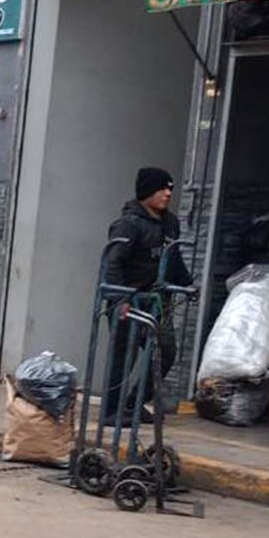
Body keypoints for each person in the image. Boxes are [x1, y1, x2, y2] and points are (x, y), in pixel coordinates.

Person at [99, 166, 192, 425]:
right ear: (147, 192)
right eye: (162, 188)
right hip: (129, 301)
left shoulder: (171, 223)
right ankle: (110, 411)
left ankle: (134, 403)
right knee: (124, 356)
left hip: (157, 302)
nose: (167, 194)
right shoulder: (128, 225)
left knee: (165, 351)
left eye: (170, 189)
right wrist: (120, 300)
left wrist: (187, 283)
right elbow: (112, 263)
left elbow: (173, 258)